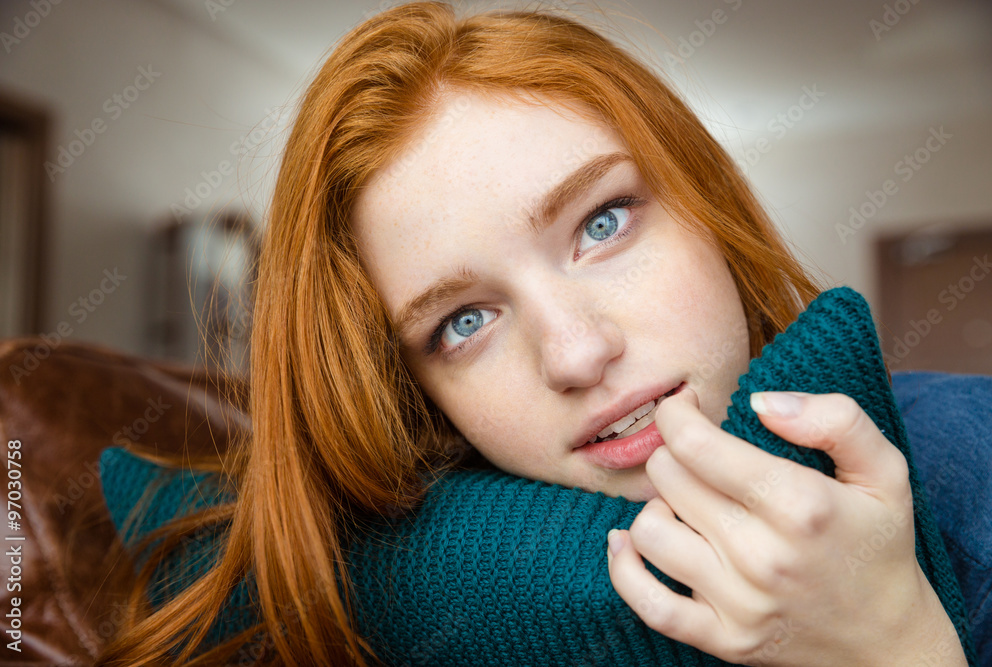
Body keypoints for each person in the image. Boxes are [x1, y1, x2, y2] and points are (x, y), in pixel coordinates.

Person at [97, 2, 985, 665]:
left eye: (603, 223)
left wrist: (897, 640)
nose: (575, 352)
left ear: (708, 209)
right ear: (419, 399)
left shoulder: (970, 460)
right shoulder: (426, 563)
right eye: (464, 321)